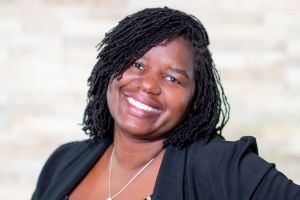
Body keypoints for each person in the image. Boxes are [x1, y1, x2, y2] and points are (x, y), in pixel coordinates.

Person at [32, 7, 300, 200]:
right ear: (109, 68)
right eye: (136, 64)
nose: (148, 84)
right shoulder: (64, 161)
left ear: (195, 97)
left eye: (173, 78)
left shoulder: (220, 166)